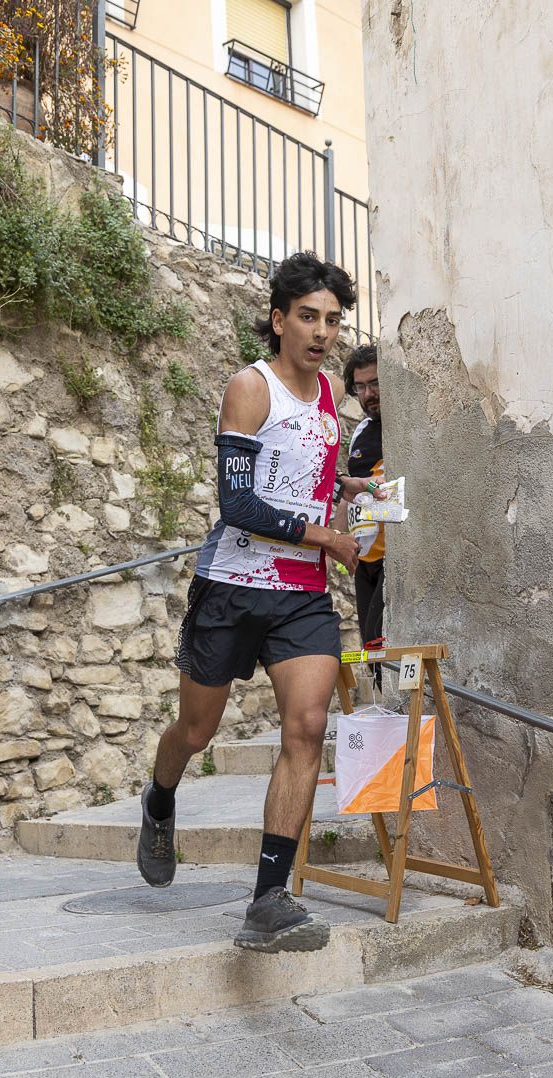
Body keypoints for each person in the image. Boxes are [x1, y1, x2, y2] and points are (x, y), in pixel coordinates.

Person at [135, 252, 375, 954]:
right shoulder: (251, 386)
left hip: (301, 597)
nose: (322, 331)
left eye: (333, 319)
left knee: (305, 731)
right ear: (279, 320)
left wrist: (357, 498)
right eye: (308, 316)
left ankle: (269, 898)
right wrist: (324, 535)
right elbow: (236, 502)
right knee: (196, 731)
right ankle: (160, 798)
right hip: (234, 588)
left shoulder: (332, 398)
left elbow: (311, 485)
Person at [343, 344, 385, 675]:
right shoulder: (360, 431)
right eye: (360, 387)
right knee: (368, 652)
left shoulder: (401, 427)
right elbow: (349, 493)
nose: (368, 394)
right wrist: (336, 538)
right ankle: (382, 717)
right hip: (363, 558)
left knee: (378, 640)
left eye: (375, 384)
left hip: (392, 558)